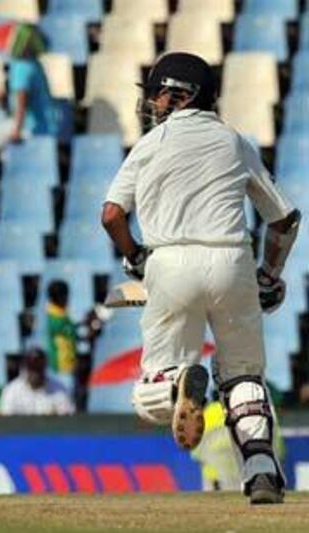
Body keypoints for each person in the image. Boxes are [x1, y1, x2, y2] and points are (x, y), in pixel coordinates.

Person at [100, 52, 300, 505]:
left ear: (182, 95)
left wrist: (134, 257)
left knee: (149, 394)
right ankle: (262, 470)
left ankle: (175, 381)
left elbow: (111, 215)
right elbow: (285, 220)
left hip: (169, 263)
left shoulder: (148, 146)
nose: (152, 103)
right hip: (232, 260)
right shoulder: (233, 141)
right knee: (243, 376)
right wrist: (269, 273)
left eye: (158, 93)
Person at [0, 23, 57, 150]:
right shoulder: (34, 63)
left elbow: (22, 102)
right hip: (47, 128)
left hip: (30, 129)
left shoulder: (21, 67)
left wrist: (17, 131)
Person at [0, 347, 74, 415]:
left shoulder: (59, 389)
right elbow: (6, 421)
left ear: (45, 367)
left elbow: (69, 418)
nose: (35, 372)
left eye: (39, 367)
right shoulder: (12, 391)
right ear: (25, 367)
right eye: (32, 367)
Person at [45, 280, 78, 376]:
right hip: (59, 369)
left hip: (69, 366)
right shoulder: (53, 318)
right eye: (66, 296)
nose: (68, 299)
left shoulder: (62, 314)